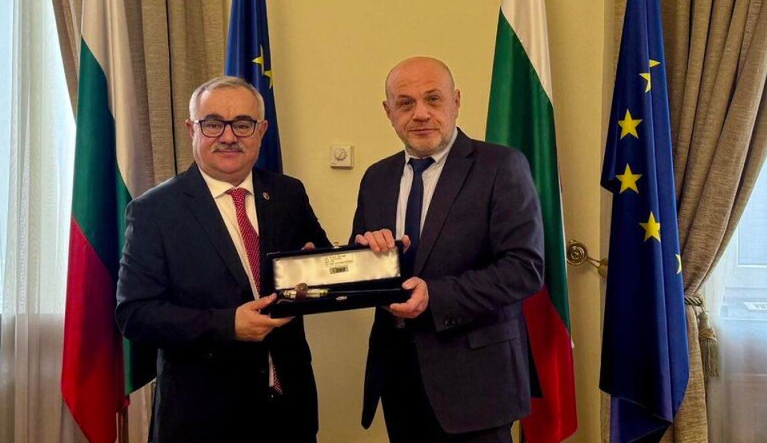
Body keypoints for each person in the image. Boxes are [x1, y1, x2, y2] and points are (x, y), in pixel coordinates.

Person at [116, 76, 329, 442]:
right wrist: (227, 324)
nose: (229, 137)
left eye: (243, 124)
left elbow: (321, 267)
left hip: (289, 411)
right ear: (191, 129)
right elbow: (134, 314)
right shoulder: (154, 211)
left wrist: (361, 257)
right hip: (203, 418)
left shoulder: (288, 194)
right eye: (213, 124)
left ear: (261, 130)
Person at [353, 56, 545, 442]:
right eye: (405, 103)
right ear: (388, 112)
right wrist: (361, 258)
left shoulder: (501, 166)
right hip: (398, 378)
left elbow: (524, 268)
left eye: (433, 99)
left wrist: (435, 296)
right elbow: (362, 267)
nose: (420, 114)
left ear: (456, 101)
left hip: (478, 382)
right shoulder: (376, 177)